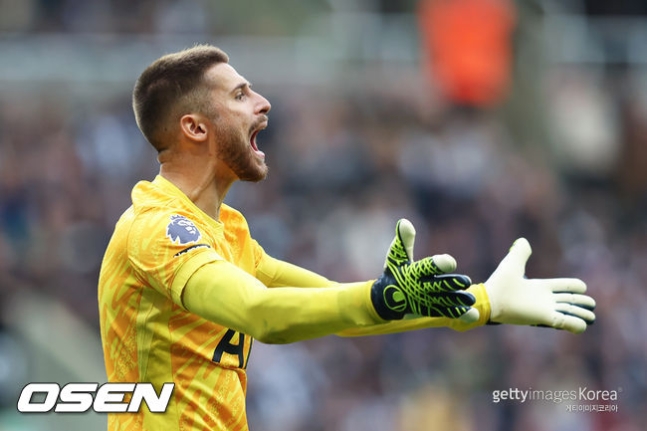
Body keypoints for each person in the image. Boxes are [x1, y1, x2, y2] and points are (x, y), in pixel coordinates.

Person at [98, 44, 596, 431]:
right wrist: (382, 298)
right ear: (194, 127)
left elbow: (347, 310)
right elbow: (261, 314)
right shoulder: (156, 227)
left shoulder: (229, 232)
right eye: (240, 95)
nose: (264, 102)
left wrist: (484, 302)